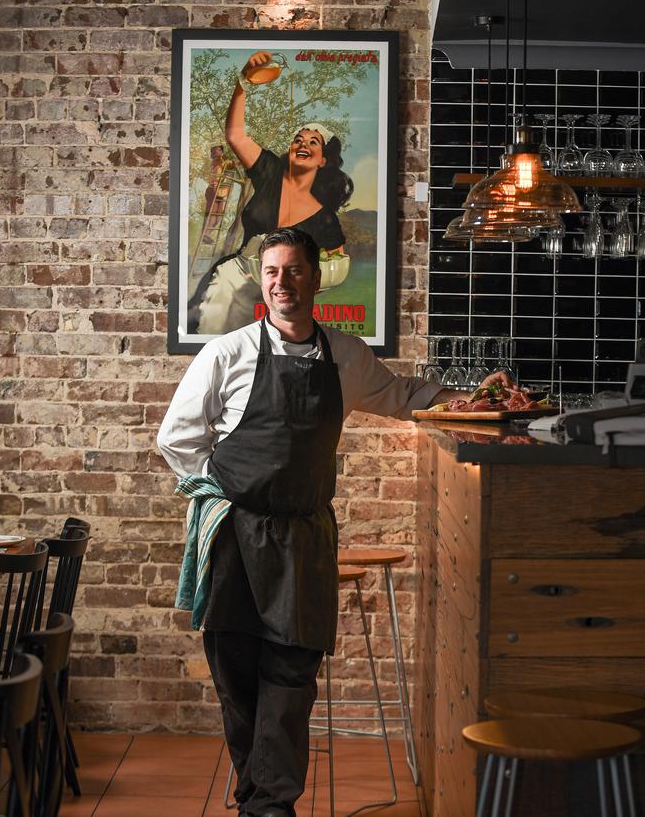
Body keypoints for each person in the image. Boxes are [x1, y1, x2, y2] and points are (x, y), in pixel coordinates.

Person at [158, 227, 514, 817]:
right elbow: (178, 438)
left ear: (315, 278)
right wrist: (220, 495)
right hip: (237, 537)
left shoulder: (345, 356)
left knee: (292, 675)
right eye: (272, 272)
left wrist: (469, 398)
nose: (282, 283)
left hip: (304, 538)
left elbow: (404, 396)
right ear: (261, 280)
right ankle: (259, 797)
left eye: (294, 271)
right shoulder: (228, 353)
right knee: (236, 675)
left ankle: (271, 804)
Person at [188, 50, 353, 335]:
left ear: (322, 159)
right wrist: (242, 84)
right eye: (297, 139)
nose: (302, 144)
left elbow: (334, 265)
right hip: (238, 275)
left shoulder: (324, 218)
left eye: (313, 142)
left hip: (286, 295)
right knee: (212, 327)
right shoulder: (270, 171)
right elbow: (235, 135)